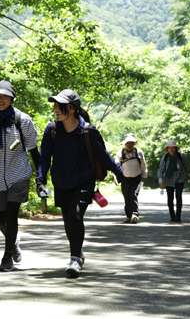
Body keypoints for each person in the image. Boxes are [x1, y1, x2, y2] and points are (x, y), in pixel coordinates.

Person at [36, 89, 123, 278]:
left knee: (75, 216)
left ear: (72, 108)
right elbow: (44, 159)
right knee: (68, 222)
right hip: (61, 182)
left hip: (84, 181)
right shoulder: (52, 129)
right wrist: (40, 180)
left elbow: (104, 156)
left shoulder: (88, 131)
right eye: (55, 105)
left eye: (59, 106)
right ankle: (79, 252)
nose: (55, 108)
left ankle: (74, 259)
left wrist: (120, 173)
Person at [0, 80, 39, 272]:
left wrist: (40, 176)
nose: (0, 99)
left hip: (19, 174)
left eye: (4, 96)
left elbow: (34, 149)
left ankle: (7, 257)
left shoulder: (23, 120)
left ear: (11, 98)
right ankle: (14, 244)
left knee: (11, 214)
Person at [114, 133, 148, 224]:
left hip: (136, 178)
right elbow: (116, 166)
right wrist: (115, 177)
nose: (130, 145)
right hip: (124, 179)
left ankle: (135, 214)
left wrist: (144, 175)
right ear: (125, 144)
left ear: (134, 143)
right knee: (127, 198)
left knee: (133, 195)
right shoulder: (120, 153)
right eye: (128, 143)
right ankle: (129, 216)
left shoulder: (139, 152)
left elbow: (143, 165)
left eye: (131, 143)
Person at [157, 140, 190, 222]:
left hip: (180, 178)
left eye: (173, 147)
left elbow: (186, 166)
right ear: (167, 149)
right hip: (168, 179)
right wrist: (160, 180)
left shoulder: (181, 156)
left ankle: (178, 215)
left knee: (178, 195)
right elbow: (160, 169)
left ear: (176, 148)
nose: (171, 149)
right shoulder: (165, 158)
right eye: (169, 147)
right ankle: (172, 215)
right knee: (170, 198)